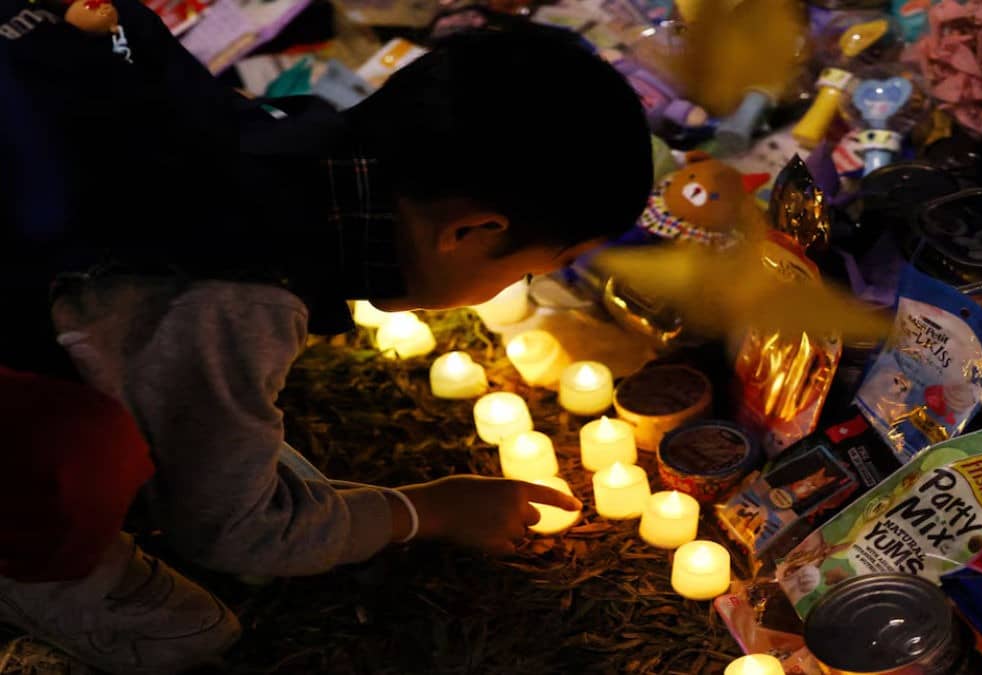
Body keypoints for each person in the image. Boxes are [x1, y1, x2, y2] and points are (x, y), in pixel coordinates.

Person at [0, 0, 653, 670]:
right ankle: (39, 566)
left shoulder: (268, 141)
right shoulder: (241, 292)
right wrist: (427, 509)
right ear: (470, 232)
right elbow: (231, 530)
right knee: (88, 469)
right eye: (532, 269)